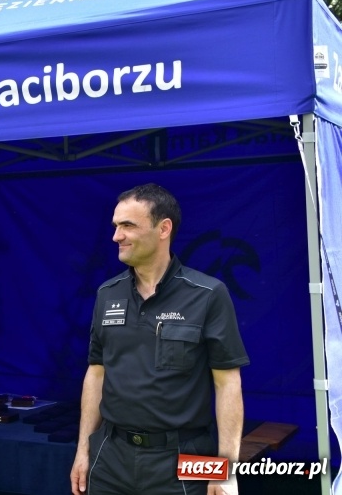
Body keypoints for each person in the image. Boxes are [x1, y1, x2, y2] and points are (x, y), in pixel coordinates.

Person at [70, 183, 249, 495]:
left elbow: (227, 383)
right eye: (115, 226)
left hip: (182, 456)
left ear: (163, 228)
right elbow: (96, 373)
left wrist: (226, 469)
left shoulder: (207, 294)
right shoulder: (106, 294)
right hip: (110, 457)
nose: (116, 236)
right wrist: (83, 450)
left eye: (127, 225)